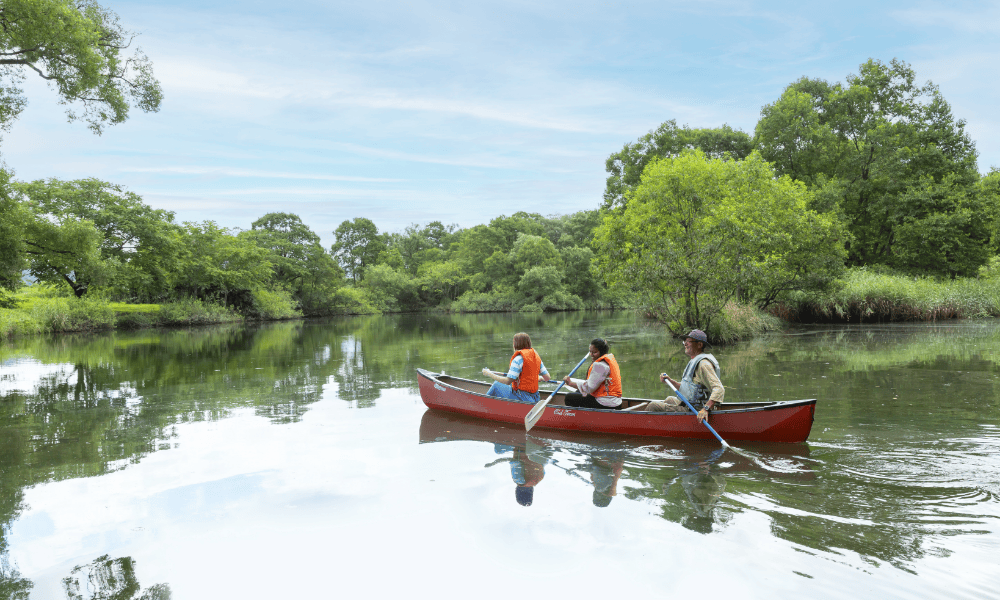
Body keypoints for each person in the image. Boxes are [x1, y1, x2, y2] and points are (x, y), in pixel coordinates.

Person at [639, 329, 723, 423]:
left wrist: (706, 409)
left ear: (699, 345)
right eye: (685, 341)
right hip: (690, 405)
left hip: (696, 410)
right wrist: (671, 381)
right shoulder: (695, 361)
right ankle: (664, 425)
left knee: (653, 406)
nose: (685, 344)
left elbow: (719, 389)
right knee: (669, 399)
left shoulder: (703, 364)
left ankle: (643, 425)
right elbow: (689, 390)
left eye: (689, 341)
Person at [482, 332, 551, 402]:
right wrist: (538, 378)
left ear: (516, 344)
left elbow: (507, 381)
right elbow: (547, 378)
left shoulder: (518, 360)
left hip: (523, 397)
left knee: (496, 385)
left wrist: (489, 374)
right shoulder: (536, 357)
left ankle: (483, 403)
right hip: (535, 398)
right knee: (510, 386)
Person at [562, 338, 623, 410]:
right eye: (590, 352)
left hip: (606, 403)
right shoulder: (608, 360)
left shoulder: (600, 365)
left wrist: (570, 383)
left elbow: (589, 388)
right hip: (616, 402)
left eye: (594, 352)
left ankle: (583, 415)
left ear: (602, 351)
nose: (591, 355)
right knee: (579, 391)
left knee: (569, 398)